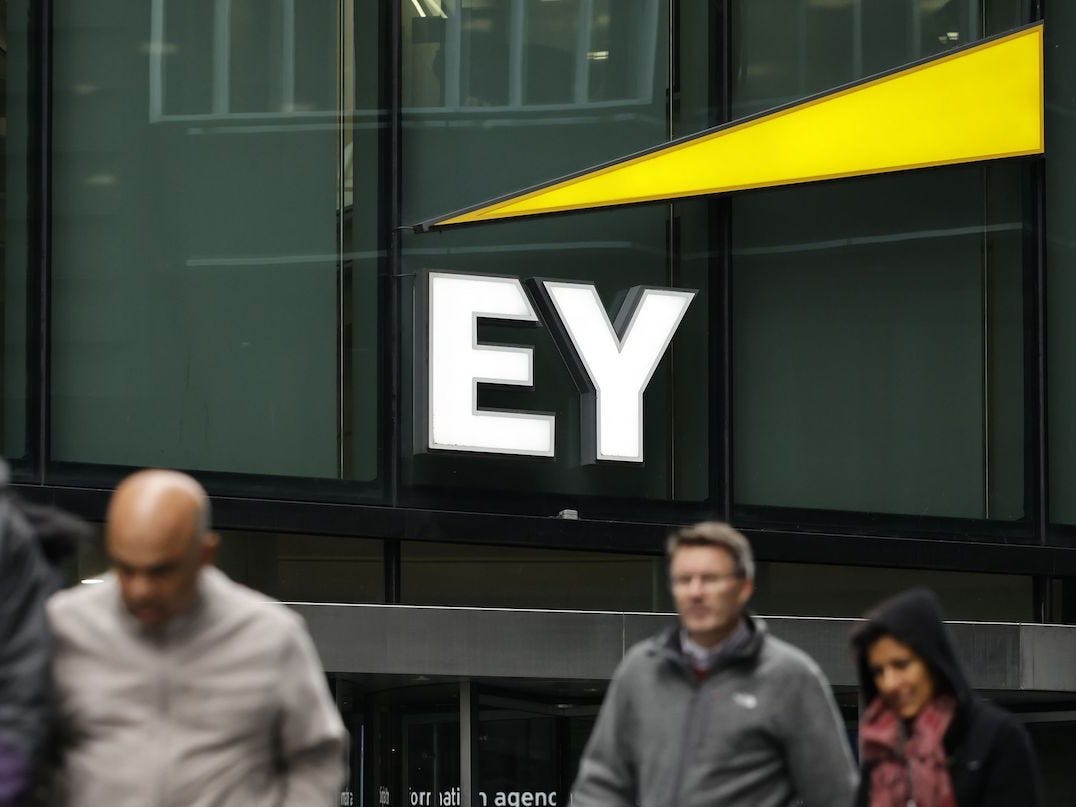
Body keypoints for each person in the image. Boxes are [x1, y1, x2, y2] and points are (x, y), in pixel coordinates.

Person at [47, 469, 345, 807]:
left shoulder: (271, 636)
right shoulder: (65, 627)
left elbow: (316, 756)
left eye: (161, 571)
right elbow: (29, 750)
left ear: (205, 554)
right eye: (125, 568)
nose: (140, 590)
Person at [571, 521, 858, 807]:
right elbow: (601, 783)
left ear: (743, 588)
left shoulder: (791, 676)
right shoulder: (641, 669)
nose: (695, 592)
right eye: (683, 580)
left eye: (709, 579)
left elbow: (836, 795)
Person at [851, 588, 1039, 807]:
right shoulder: (880, 745)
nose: (889, 683)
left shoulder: (997, 737)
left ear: (933, 662)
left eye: (901, 665)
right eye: (878, 672)